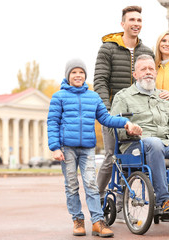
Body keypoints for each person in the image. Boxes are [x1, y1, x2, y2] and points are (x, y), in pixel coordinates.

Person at [47, 58, 141, 237]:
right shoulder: (59, 97)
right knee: (72, 186)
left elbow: (106, 118)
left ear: (85, 75)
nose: (78, 75)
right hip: (66, 148)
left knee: (91, 184)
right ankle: (78, 220)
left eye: (81, 72)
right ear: (67, 75)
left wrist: (125, 123)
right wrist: (54, 147)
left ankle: (97, 222)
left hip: (87, 148)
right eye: (74, 72)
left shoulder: (93, 97)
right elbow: (52, 122)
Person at [110, 54, 169, 214]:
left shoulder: (163, 97)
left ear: (155, 73)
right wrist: (128, 129)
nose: (148, 72)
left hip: (164, 143)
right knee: (154, 142)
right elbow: (114, 127)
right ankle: (164, 200)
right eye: (143, 69)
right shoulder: (123, 96)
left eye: (151, 69)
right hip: (134, 146)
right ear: (135, 74)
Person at [93, 5, 154, 217]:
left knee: (135, 158)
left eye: (139, 20)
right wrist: (106, 113)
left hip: (139, 115)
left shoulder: (146, 52)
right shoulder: (108, 49)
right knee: (112, 157)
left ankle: (122, 201)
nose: (136, 24)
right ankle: (97, 197)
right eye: (132, 20)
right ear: (123, 24)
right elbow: (100, 81)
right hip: (113, 114)